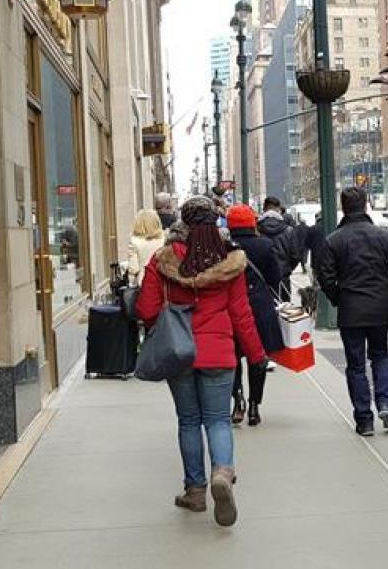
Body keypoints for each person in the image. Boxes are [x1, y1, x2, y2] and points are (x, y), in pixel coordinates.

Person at [134, 196, 266, 527]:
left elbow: (146, 310)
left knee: (189, 421)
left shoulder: (162, 260)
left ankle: (195, 491)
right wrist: (256, 354)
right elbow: (241, 313)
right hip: (219, 353)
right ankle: (222, 471)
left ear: (182, 222)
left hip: (178, 353)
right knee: (218, 420)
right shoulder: (231, 260)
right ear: (215, 222)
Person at [316, 187, 388, 436]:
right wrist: (387, 289)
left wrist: (339, 297)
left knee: (355, 365)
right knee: (381, 356)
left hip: (351, 309)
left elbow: (325, 277)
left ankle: (364, 419)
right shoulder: (384, 236)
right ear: (366, 205)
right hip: (379, 307)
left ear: (343, 207)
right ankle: (386, 405)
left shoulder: (334, 239)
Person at [225, 204, 284, 427]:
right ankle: (254, 406)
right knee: (257, 358)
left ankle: (237, 400)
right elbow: (275, 278)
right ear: (252, 223)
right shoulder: (265, 245)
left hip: (232, 309)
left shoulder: (225, 248)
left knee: (233, 358)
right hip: (259, 308)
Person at [126, 209, 166, 284]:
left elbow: (133, 269)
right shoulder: (165, 240)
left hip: (145, 281)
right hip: (163, 281)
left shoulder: (134, 242)